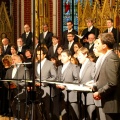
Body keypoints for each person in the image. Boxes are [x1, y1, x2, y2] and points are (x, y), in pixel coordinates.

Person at [89, 33, 120, 120]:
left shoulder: (111, 58)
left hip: (112, 102)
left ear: (104, 46)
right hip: (107, 100)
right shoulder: (106, 57)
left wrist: (99, 92)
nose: (96, 46)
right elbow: (104, 79)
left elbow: (112, 83)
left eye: (98, 43)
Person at [55, 49, 80, 120]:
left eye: (64, 56)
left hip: (72, 95)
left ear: (69, 57)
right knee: (64, 116)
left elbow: (77, 80)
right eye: (61, 56)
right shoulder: (59, 67)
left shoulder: (74, 67)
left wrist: (66, 86)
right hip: (61, 95)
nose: (62, 58)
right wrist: (57, 84)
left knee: (74, 116)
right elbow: (58, 78)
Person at [4, 54, 30, 120]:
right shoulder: (9, 70)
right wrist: (9, 86)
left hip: (21, 93)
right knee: (14, 112)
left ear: (19, 60)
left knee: (21, 113)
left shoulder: (24, 69)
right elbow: (5, 81)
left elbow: (26, 81)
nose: (12, 61)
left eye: (14, 59)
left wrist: (16, 85)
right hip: (11, 93)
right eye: (12, 59)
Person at [35, 47, 56, 120]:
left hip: (47, 91)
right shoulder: (36, 63)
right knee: (38, 112)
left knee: (47, 112)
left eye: (40, 54)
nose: (38, 56)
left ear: (44, 55)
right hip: (37, 91)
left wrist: (43, 83)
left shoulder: (50, 64)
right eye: (37, 54)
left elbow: (54, 77)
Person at [77, 47, 96, 120]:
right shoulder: (81, 66)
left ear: (85, 55)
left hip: (90, 97)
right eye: (78, 56)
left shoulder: (92, 65)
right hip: (82, 97)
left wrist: (90, 83)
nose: (78, 58)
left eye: (80, 56)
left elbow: (95, 79)